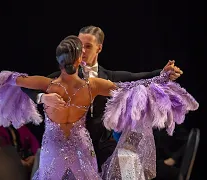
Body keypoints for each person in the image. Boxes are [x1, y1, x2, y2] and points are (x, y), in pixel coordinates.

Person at [0, 35, 199, 179]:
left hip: (54, 147)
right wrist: (160, 79)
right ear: (79, 61)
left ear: (59, 61)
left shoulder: (48, 84)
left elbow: (12, 79)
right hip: (80, 147)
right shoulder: (91, 86)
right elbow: (130, 86)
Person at [20, 25, 183, 170]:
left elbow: (136, 78)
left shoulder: (107, 77)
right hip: (71, 146)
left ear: (99, 48)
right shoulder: (63, 77)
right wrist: (43, 97)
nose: (82, 51)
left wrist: (162, 74)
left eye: (88, 46)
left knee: (128, 167)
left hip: (103, 143)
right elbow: (25, 85)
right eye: (79, 46)